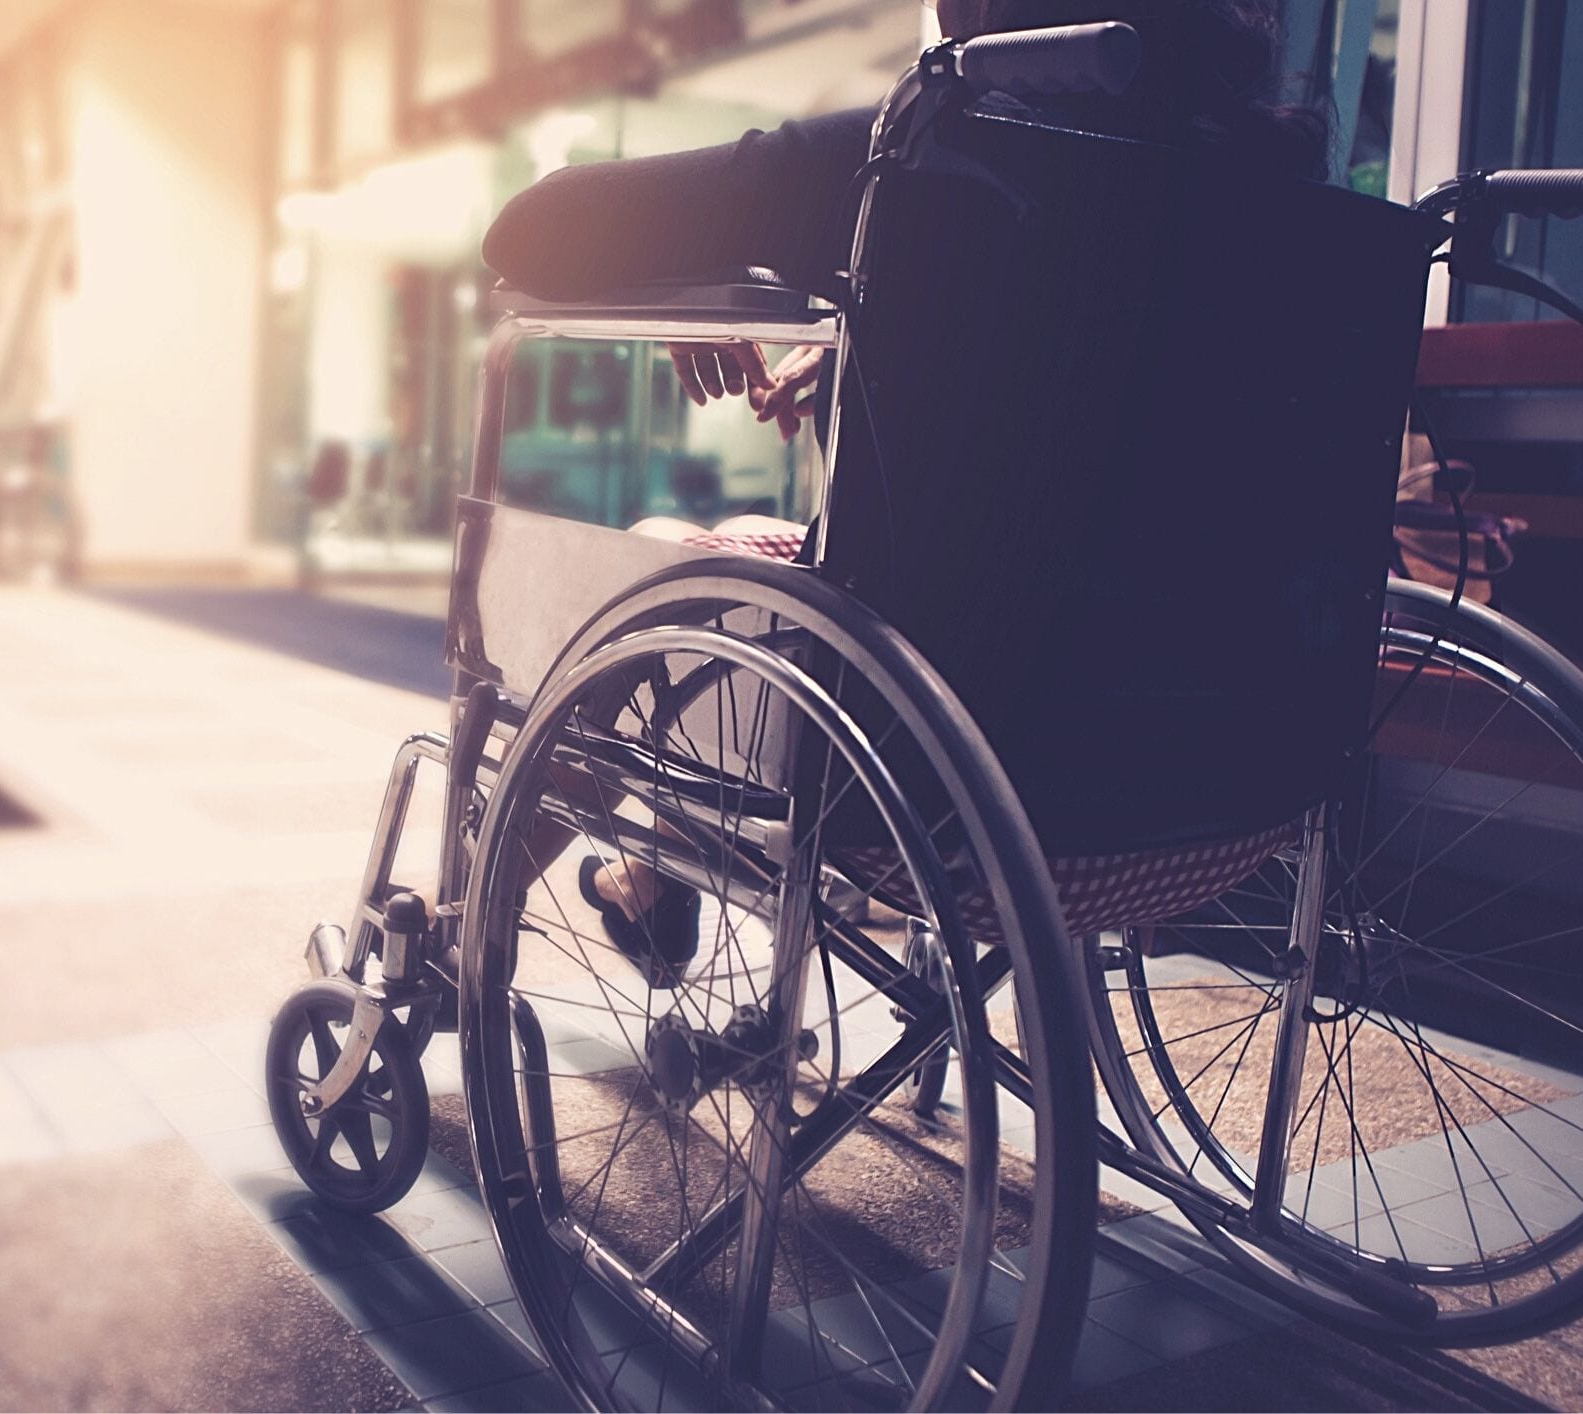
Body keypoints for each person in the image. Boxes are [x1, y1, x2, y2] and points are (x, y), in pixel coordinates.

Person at [481, 0, 1326, 985]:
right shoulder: (1271, 177)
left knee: (666, 562)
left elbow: (530, 230)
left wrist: (684, 260)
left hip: (948, 796)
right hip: (1222, 803)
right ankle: (639, 875)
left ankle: (470, 921)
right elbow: (1079, 388)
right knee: (752, 559)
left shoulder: (923, 148)